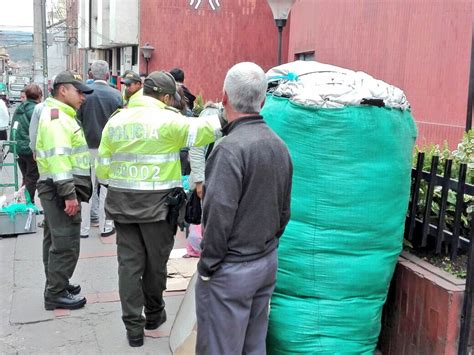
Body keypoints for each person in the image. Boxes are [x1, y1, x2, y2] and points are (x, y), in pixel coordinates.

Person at [95, 70, 223, 348]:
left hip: (121, 205)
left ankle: (133, 329)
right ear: (165, 96)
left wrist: (120, 185)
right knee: (155, 265)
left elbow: (102, 167)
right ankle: (153, 315)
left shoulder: (116, 121)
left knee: (128, 265)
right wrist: (228, 112)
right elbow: (204, 130)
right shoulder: (169, 119)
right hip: (158, 207)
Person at [195, 62, 293, 355]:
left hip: (231, 269)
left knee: (220, 348)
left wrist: (208, 266)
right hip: (265, 262)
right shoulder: (279, 146)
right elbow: (284, 212)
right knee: (253, 345)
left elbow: (218, 216)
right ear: (262, 101)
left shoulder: (229, 149)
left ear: (223, 96)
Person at [36, 70, 93, 311]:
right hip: (60, 190)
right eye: (78, 91)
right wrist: (69, 194)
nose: (83, 97)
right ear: (63, 90)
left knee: (54, 239)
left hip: (55, 188)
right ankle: (56, 293)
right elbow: (59, 159)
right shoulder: (58, 118)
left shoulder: (58, 114)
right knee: (65, 242)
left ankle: (57, 283)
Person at [77, 60, 122, 238]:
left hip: (86, 146)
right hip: (109, 149)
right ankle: (106, 226)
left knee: (86, 187)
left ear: (90, 75)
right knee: (105, 187)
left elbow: (78, 121)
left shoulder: (83, 95)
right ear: (107, 75)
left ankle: (84, 229)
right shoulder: (116, 95)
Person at [10, 84, 42, 202]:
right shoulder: (36, 109)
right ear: (39, 96)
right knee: (32, 177)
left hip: (18, 147)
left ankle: (23, 200)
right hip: (29, 148)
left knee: (26, 176)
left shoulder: (19, 109)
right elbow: (38, 130)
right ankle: (29, 202)